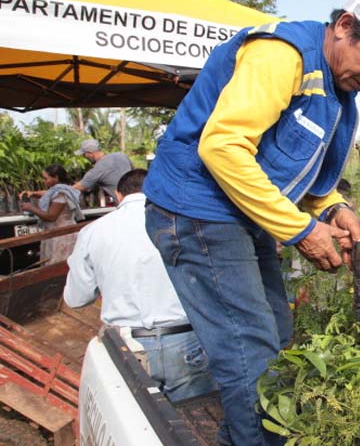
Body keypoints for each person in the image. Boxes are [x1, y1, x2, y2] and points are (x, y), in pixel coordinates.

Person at [142, 0, 360, 445]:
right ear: (345, 26)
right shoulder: (283, 56)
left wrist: (334, 206)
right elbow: (223, 147)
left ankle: (243, 437)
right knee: (249, 349)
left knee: (276, 328)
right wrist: (301, 230)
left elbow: (295, 168)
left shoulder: (336, 85)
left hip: (238, 212)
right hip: (196, 209)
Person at [64, 169, 216, 402]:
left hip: (126, 346)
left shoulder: (92, 232)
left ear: (118, 194)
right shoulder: (187, 224)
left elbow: (76, 299)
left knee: (138, 425)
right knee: (194, 426)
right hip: (186, 342)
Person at [19, 164, 83, 264]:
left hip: (61, 234)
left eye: (46, 178)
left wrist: (31, 208)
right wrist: (33, 193)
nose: (44, 181)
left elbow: (51, 217)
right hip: (58, 232)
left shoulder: (61, 193)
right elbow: (48, 194)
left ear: (56, 178)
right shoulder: (62, 189)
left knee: (58, 265)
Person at [72, 138, 133, 204]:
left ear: (89, 154)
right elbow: (134, 172)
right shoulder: (122, 155)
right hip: (141, 199)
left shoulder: (97, 170)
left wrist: (61, 189)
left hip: (126, 205)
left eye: (84, 154)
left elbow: (76, 188)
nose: (84, 157)